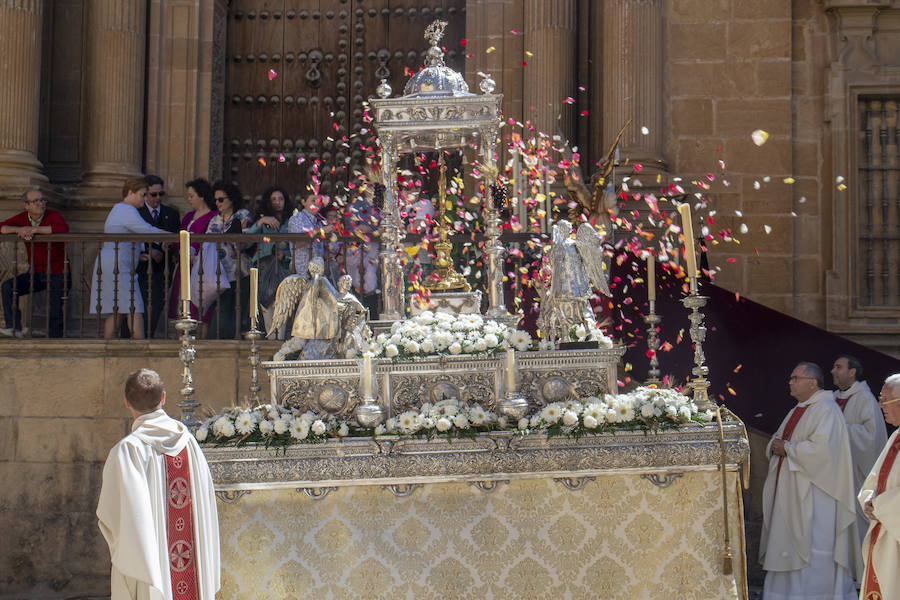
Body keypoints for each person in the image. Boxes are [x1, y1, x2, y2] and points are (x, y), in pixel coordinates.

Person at [96, 368, 220, 600]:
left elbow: (112, 517)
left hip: (153, 573)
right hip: (191, 564)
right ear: (163, 398)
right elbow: (206, 506)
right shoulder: (189, 443)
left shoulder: (128, 451)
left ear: (126, 402)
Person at [760, 362, 861, 600]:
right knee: (789, 542)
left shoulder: (826, 409)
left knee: (811, 545)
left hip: (816, 495)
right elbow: (779, 439)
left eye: (796, 378)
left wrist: (788, 448)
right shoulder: (799, 408)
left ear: (812, 383)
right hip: (791, 491)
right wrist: (777, 447)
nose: (790, 382)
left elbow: (824, 452)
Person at [89, 179, 170, 339]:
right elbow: (145, 230)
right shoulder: (126, 210)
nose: (144, 199)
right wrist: (172, 237)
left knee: (118, 310)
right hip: (117, 265)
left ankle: (108, 349)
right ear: (130, 193)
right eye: (142, 195)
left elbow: (128, 235)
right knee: (135, 306)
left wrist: (139, 254)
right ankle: (139, 348)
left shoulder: (121, 210)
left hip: (116, 262)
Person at [831, 354, 888, 545]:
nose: (833, 371)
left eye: (838, 367)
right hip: (833, 473)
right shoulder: (832, 398)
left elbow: (871, 437)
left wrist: (840, 429)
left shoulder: (865, 398)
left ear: (852, 372)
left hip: (855, 473)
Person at [0, 189, 70, 338]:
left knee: (55, 310)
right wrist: (19, 229)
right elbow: (2, 227)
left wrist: (34, 230)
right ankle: (14, 328)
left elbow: (62, 229)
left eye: (42, 200)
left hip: (58, 272)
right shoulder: (22, 218)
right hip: (36, 273)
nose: (40, 203)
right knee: (8, 287)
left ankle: (55, 341)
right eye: (36, 201)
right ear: (26, 205)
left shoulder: (53, 215)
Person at [858, 373, 900, 600]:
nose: (879, 405)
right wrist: (868, 499)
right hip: (885, 529)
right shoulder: (896, 436)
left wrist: (880, 505)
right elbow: (875, 479)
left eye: (885, 399)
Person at [167, 178, 218, 329]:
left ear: (201, 196)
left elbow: (210, 241)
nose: (189, 199)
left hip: (199, 266)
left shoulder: (212, 216)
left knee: (200, 305)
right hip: (184, 266)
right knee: (180, 303)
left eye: (191, 196)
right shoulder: (189, 216)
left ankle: (200, 341)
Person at [243, 186, 294, 336]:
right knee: (266, 302)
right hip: (265, 266)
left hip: (284, 268)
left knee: (283, 303)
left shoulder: (291, 222)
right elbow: (247, 241)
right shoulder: (263, 222)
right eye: (273, 199)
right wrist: (260, 222)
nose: (277, 202)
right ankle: (272, 337)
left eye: (280, 199)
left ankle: (281, 337)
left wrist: (284, 256)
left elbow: (295, 249)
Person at [136, 174, 180, 338]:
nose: (157, 198)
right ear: (145, 194)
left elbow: (176, 237)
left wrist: (171, 248)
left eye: (160, 194)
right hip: (141, 268)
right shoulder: (137, 213)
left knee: (156, 306)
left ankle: (149, 336)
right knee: (139, 306)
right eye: (153, 194)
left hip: (164, 269)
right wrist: (147, 252)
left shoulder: (172, 214)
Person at [207, 181, 251, 339]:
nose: (217, 203)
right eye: (216, 200)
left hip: (240, 270)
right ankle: (218, 341)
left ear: (230, 199)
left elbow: (245, 240)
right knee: (222, 307)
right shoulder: (215, 220)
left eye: (221, 199)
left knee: (238, 307)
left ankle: (234, 339)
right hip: (220, 270)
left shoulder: (242, 215)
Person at [343, 191, 381, 315]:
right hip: (357, 248)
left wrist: (373, 229)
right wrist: (363, 229)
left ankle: (372, 313)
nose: (371, 189)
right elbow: (350, 227)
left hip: (377, 248)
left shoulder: (383, 204)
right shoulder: (355, 205)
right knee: (358, 279)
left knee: (371, 278)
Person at [288, 192, 325, 278]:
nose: (316, 203)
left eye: (319, 201)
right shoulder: (297, 218)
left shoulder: (319, 222)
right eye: (313, 200)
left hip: (318, 272)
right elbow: (298, 241)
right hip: (302, 271)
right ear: (303, 202)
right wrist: (319, 232)